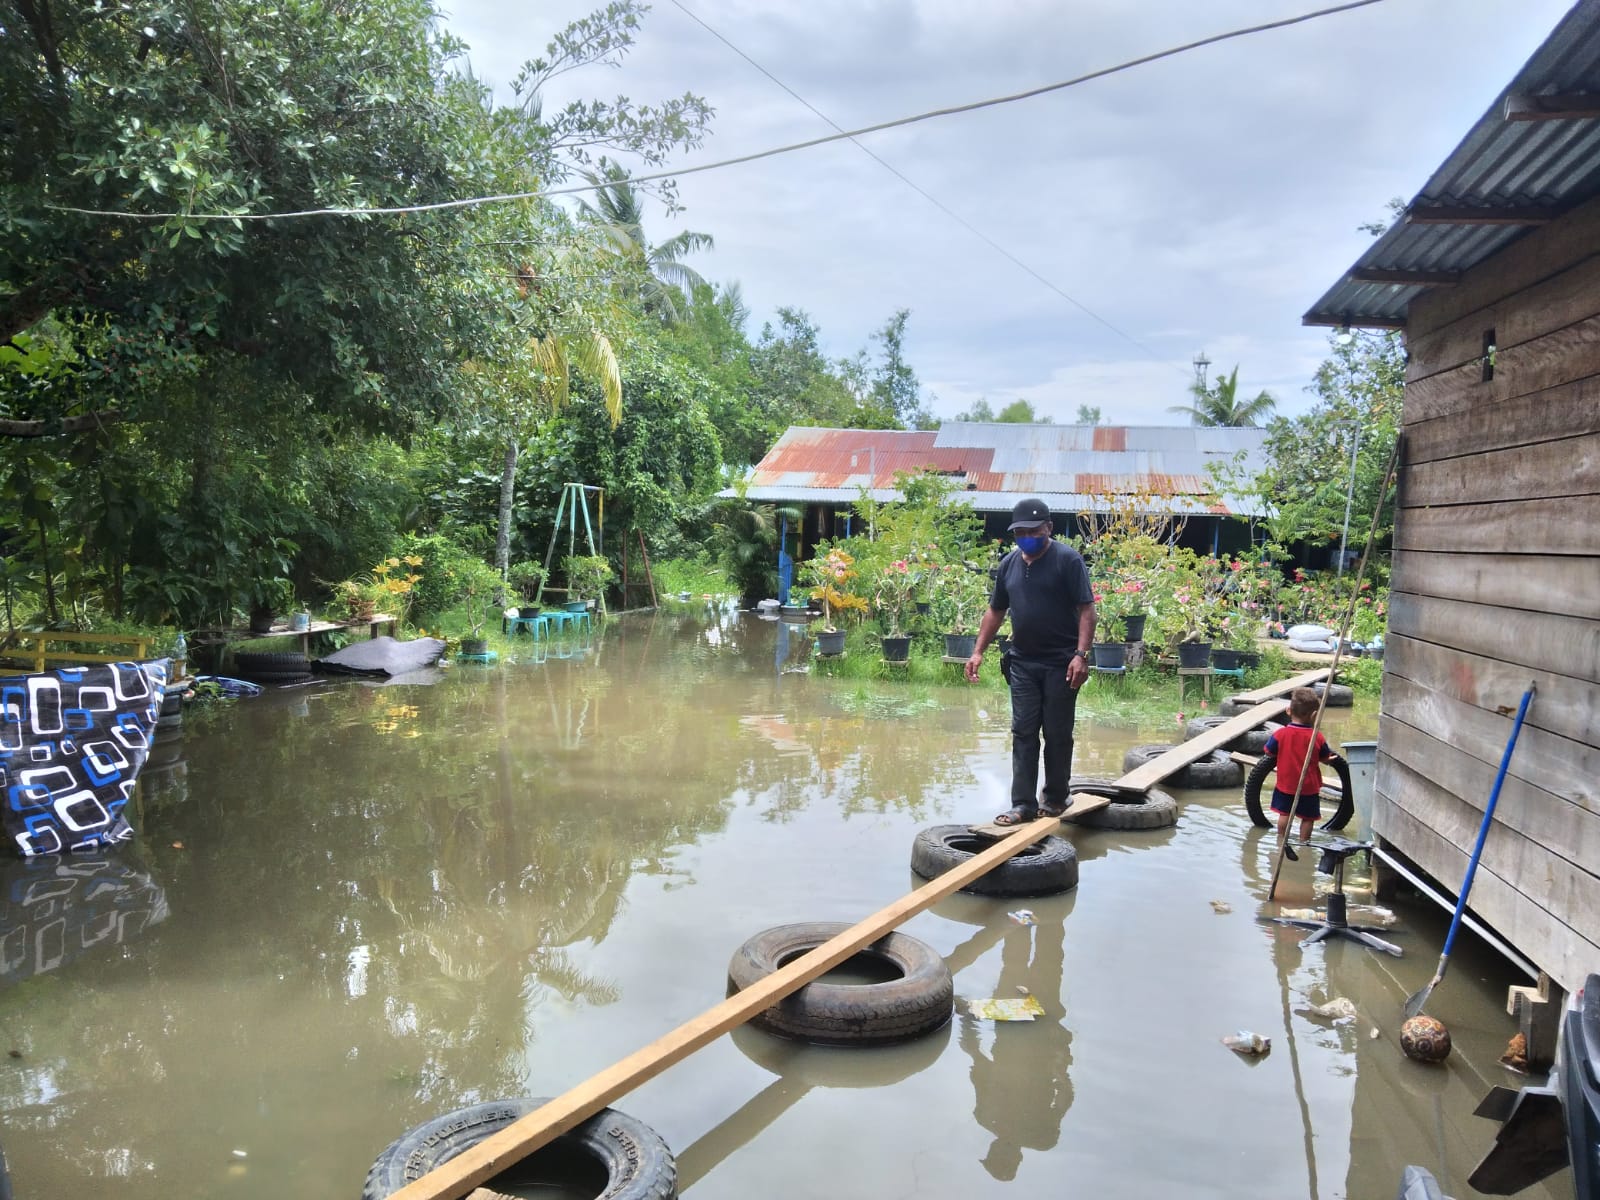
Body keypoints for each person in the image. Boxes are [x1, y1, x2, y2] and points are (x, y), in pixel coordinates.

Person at [964, 498, 1095, 825]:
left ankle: (1055, 797)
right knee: (1023, 732)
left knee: (1057, 732)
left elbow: (1087, 611)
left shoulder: (1068, 561)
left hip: (1061, 663)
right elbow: (996, 610)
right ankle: (1022, 804)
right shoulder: (1009, 564)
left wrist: (1081, 655)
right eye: (1020, 532)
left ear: (1048, 528)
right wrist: (978, 651)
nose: (1027, 537)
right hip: (1022, 662)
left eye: (1033, 531)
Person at [1262, 686, 1344, 860]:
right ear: (1315, 716)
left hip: (1286, 784)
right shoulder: (1317, 737)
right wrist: (1329, 760)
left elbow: (1268, 752)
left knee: (1284, 814)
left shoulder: (1280, 734)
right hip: (1309, 787)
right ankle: (1304, 842)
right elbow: (1324, 756)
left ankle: (1282, 840)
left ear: (1288, 710)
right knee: (1308, 818)